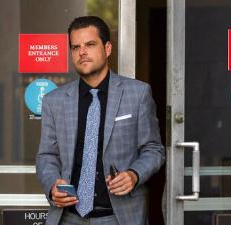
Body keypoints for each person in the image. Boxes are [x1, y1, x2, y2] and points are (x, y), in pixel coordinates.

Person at [36, 16, 165, 225]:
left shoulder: (138, 93)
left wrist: (134, 174)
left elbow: (154, 149)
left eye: (90, 44)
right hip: (68, 218)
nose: (82, 52)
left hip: (118, 217)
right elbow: (47, 156)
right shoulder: (54, 101)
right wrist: (52, 185)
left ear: (107, 48)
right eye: (75, 47)